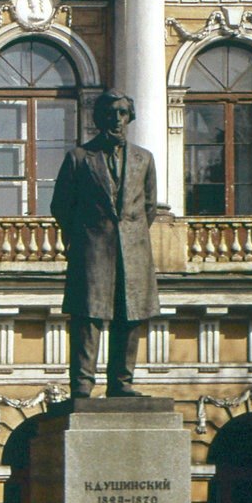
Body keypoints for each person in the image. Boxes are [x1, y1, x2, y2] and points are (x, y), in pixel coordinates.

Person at [50, 91, 161, 404]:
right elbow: (61, 205)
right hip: (93, 250)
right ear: (99, 118)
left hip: (134, 250)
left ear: (129, 118)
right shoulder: (79, 158)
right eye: (111, 113)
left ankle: (121, 382)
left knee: (130, 316)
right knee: (89, 318)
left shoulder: (144, 159)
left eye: (123, 113)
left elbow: (148, 206)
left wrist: (128, 233)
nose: (117, 119)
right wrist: (86, 236)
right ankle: (82, 385)